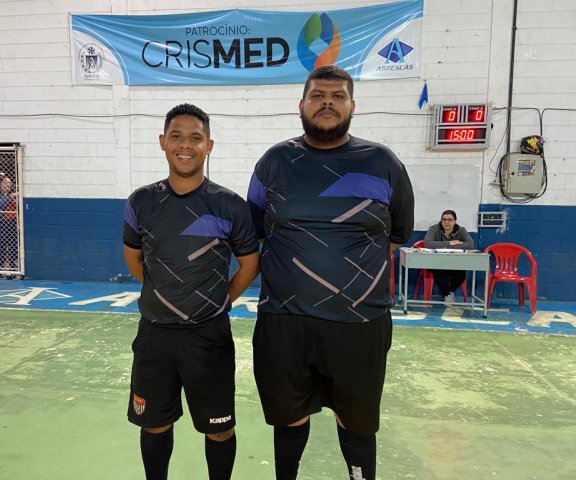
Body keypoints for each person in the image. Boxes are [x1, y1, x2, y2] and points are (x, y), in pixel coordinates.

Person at [247, 65, 414, 480]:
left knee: (356, 423)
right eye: (317, 95)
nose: (327, 103)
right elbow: (257, 230)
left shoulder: (383, 163)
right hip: (285, 321)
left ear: (353, 105)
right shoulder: (274, 162)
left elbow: (396, 234)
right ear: (301, 105)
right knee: (288, 419)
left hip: (359, 324)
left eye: (337, 96)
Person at [122, 103, 259, 480]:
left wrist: (221, 300)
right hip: (155, 335)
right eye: (177, 136)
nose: (186, 145)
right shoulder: (141, 202)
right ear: (162, 142)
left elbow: (250, 265)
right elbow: (134, 260)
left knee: (219, 429)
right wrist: (163, 293)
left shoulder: (230, 205)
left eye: (196, 138)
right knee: (153, 424)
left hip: (208, 336)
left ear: (208, 145)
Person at [423, 209, 474, 303]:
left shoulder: (461, 230)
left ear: (455, 221)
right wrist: (450, 243)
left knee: (461, 274)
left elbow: (470, 244)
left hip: (456, 261)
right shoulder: (434, 229)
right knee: (440, 272)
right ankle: (446, 294)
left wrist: (444, 246)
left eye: (450, 220)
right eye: (444, 219)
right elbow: (428, 244)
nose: (447, 222)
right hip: (437, 261)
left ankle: (451, 291)